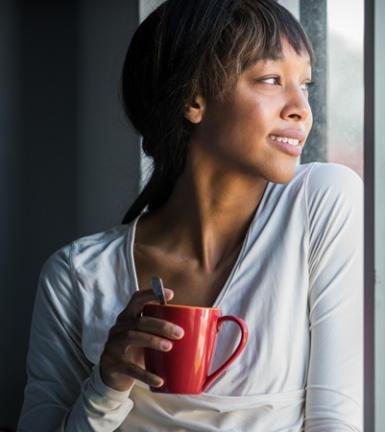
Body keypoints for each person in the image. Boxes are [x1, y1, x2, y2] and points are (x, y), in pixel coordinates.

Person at [17, 0, 362, 430]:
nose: (301, 109)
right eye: (272, 80)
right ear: (194, 99)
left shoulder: (321, 202)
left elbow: (336, 419)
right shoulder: (76, 276)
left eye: (305, 84)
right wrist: (108, 383)